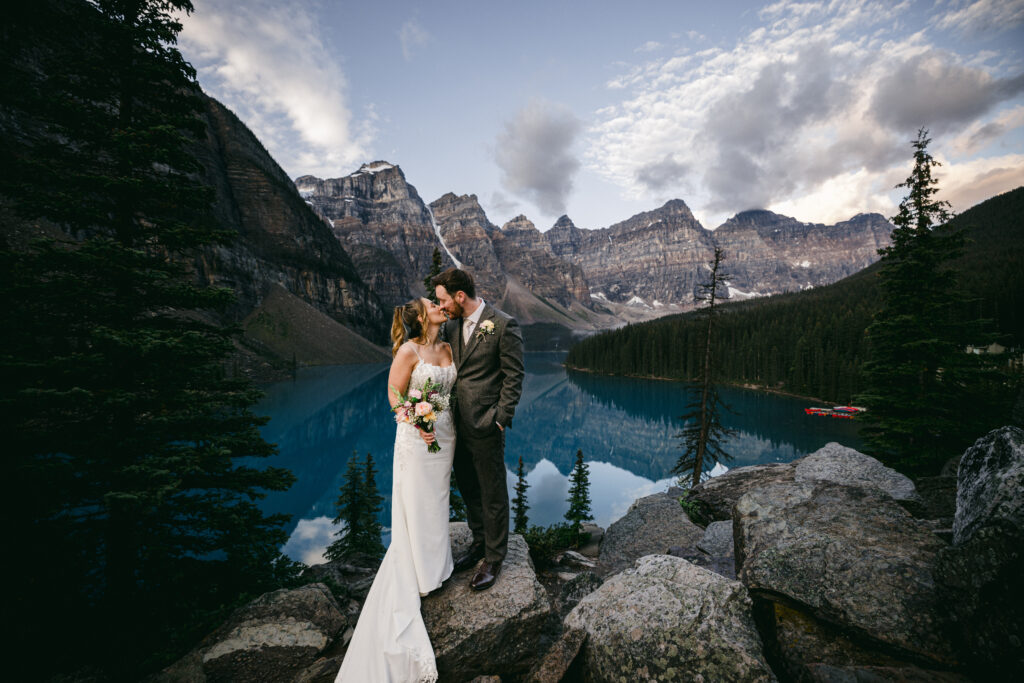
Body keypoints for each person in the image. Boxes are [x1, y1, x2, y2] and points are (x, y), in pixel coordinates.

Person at [335, 297, 455, 682]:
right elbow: (393, 395)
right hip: (417, 439)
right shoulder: (408, 350)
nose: (439, 305)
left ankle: (438, 565)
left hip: (447, 435)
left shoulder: (447, 347)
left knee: (437, 499)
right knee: (417, 500)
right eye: (431, 304)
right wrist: (416, 418)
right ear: (420, 317)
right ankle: (419, 574)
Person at [433, 268, 524, 591]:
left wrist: (500, 417)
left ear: (460, 296)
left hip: (486, 424)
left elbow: (513, 377)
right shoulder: (453, 325)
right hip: (454, 424)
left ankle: (494, 557)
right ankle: (479, 542)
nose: (441, 307)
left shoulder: (503, 324)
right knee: (469, 488)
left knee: (492, 491)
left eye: (444, 300)